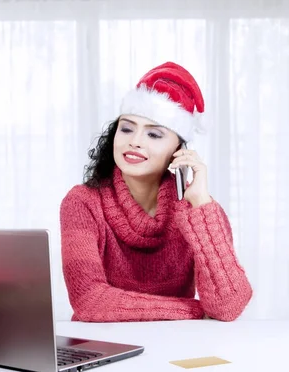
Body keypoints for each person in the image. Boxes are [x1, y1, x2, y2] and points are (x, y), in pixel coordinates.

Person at [59, 61, 252, 322]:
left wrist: (201, 206)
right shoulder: (82, 202)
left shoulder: (198, 209)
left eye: (154, 135)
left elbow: (228, 305)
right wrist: (194, 310)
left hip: (177, 345)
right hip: (106, 346)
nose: (135, 141)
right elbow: (89, 300)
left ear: (178, 150)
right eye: (126, 128)